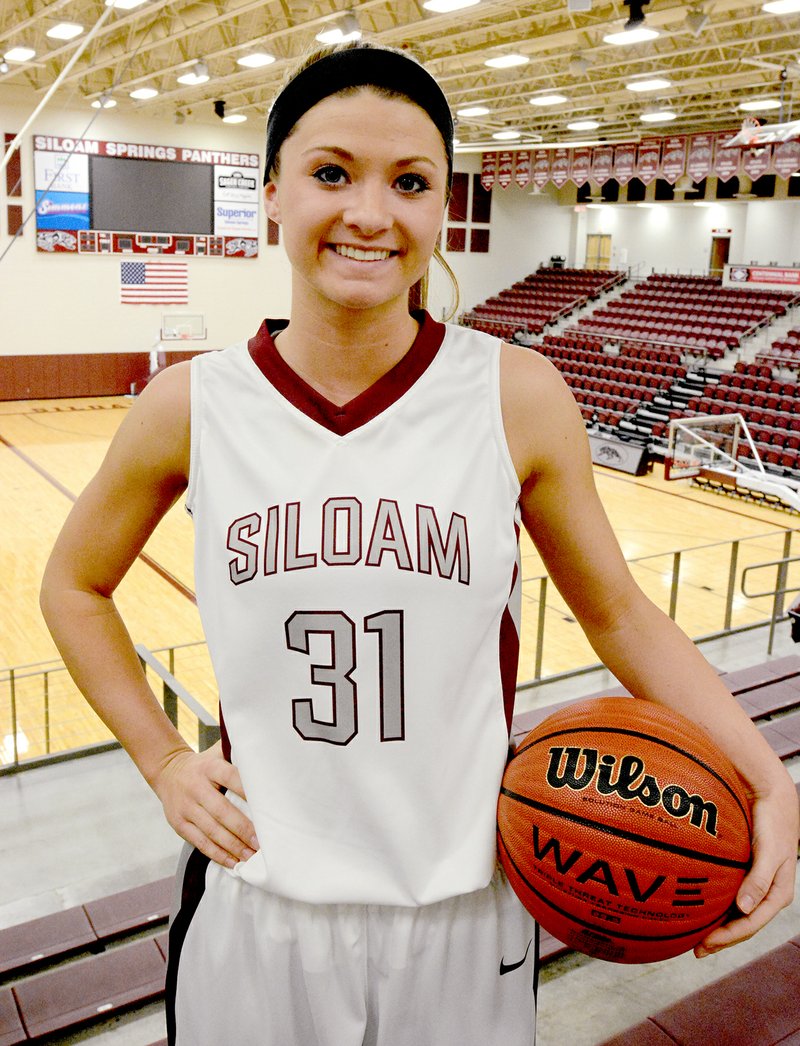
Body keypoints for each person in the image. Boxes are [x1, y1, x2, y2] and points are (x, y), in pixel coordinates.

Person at [40, 40, 797, 1046]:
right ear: (269, 194)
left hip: (464, 905)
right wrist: (163, 757)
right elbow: (73, 584)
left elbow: (618, 610)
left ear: (440, 205)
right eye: (329, 173)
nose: (369, 212)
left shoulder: (515, 394)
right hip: (259, 901)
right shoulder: (191, 404)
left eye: (409, 182)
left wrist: (765, 775)